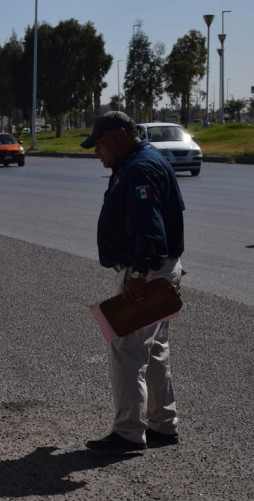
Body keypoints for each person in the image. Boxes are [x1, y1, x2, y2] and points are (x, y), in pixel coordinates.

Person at [80, 111, 185, 452]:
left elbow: (149, 227)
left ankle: (127, 433)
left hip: (148, 272)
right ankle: (162, 425)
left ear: (119, 135)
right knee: (154, 351)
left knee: (126, 348)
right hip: (158, 269)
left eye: (99, 145)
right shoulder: (140, 162)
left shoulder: (139, 169)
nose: (98, 153)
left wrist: (138, 274)